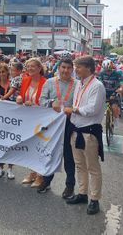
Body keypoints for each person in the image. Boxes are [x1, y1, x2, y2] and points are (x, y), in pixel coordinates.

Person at [65, 55, 106, 215]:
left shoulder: (97, 86)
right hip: (76, 129)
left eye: (79, 67)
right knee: (80, 165)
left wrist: (73, 110)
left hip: (89, 132)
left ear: (88, 68)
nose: (76, 69)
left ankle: (94, 199)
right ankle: (82, 193)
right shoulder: (79, 84)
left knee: (92, 167)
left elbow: (92, 109)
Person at [37, 58, 76, 199]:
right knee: (50, 153)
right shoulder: (49, 82)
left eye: (68, 68)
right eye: (63, 67)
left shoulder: (77, 85)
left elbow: (79, 104)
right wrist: (51, 102)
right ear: (58, 68)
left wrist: (71, 109)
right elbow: (41, 101)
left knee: (69, 156)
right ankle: (46, 181)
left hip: (70, 125)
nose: (65, 70)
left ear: (72, 69)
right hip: (52, 126)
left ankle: (70, 185)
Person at [16, 58, 47, 188]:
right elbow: (21, 96)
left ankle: (41, 175)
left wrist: (35, 104)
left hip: (42, 120)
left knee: (41, 148)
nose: (29, 68)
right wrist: (19, 98)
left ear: (39, 68)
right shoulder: (25, 80)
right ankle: (32, 172)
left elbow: (47, 102)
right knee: (30, 147)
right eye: (28, 66)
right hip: (28, 121)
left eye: (33, 66)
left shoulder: (46, 82)